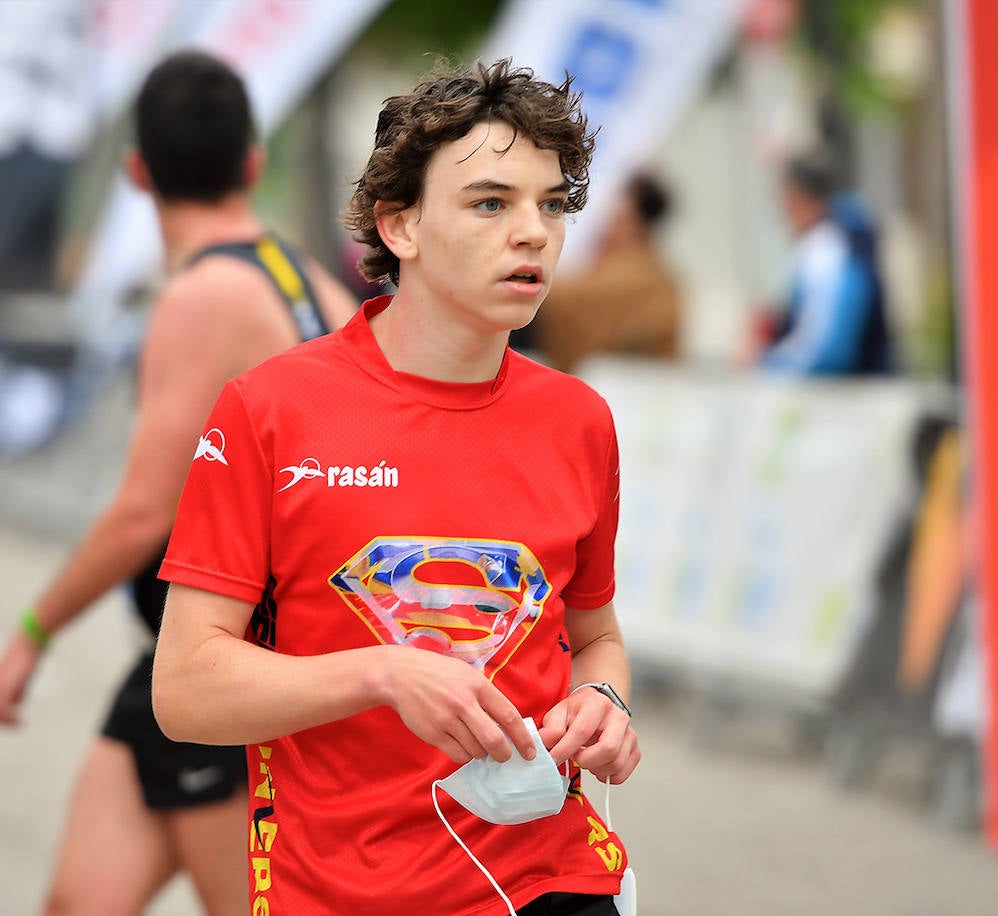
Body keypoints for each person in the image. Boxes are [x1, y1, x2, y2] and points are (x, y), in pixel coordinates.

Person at [152, 59, 641, 915]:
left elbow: (595, 637)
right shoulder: (269, 411)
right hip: (338, 890)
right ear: (400, 227)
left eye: (552, 204)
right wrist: (380, 675)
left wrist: (602, 699)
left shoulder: (580, 421)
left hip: (547, 877)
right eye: (491, 203)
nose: (532, 231)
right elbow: (185, 690)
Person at [0, 51, 355, 916]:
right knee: (77, 903)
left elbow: (144, 511)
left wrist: (33, 631)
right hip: (189, 665)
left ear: (135, 172)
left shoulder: (200, 299)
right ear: (252, 166)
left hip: (237, 676)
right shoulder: (306, 279)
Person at [518, 173, 681, 371]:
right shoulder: (642, 268)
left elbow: (569, 300)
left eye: (619, 216)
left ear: (635, 221)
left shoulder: (637, 274)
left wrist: (526, 277)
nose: (608, 223)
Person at [760, 151, 893, 375]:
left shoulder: (826, 254)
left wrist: (768, 366)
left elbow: (827, 352)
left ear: (798, 198)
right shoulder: (834, 245)